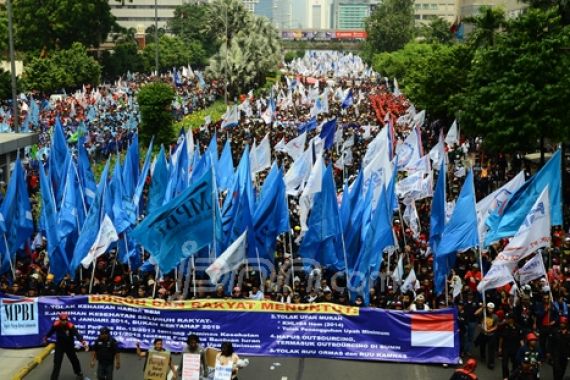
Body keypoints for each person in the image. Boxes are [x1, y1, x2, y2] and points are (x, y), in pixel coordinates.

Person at [44, 312, 88, 380]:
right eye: (62, 320)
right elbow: (51, 331)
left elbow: (77, 334)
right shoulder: (56, 325)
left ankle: (79, 372)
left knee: (74, 360)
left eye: (65, 320)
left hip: (69, 345)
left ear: (67, 320)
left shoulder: (70, 326)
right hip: (60, 345)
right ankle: (53, 378)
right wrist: (46, 337)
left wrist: (82, 341)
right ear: (60, 319)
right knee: (57, 362)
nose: (64, 321)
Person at [499, 313, 523, 379]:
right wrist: (500, 347)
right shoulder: (504, 326)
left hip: (515, 348)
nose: (507, 319)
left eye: (508, 318)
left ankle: (513, 376)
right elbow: (501, 338)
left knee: (515, 363)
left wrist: (523, 349)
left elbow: (521, 339)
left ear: (512, 319)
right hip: (506, 347)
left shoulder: (518, 327)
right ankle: (505, 376)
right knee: (504, 364)